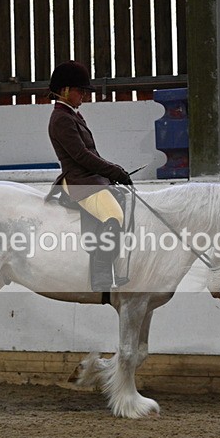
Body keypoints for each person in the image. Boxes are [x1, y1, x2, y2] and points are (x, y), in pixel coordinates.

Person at [47, 60, 132, 293]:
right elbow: (81, 156)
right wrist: (113, 170)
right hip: (79, 182)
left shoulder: (74, 115)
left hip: (91, 179)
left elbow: (91, 153)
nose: (84, 95)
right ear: (65, 90)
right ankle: (101, 273)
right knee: (113, 216)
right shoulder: (61, 119)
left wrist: (109, 175)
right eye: (80, 90)